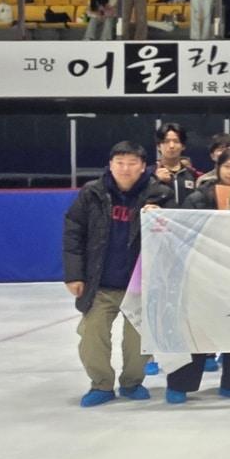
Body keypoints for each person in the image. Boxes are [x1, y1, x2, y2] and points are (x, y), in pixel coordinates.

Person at [63, 140, 173, 407]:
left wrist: (162, 217)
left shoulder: (159, 193)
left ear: (143, 167)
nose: (125, 168)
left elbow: (176, 232)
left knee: (139, 342)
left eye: (132, 163)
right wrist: (74, 274)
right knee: (91, 335)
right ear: (110, 165)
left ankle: (132, 383)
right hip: (100, 282)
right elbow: (73, 232)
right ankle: (101, 384)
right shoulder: (93, 192)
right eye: (119, 162)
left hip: (141, 285)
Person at [167, 149, 230, 402]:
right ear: (217, 168)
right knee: (196, 330)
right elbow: (182, 231)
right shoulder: (198, 197)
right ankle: (180, 384)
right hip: (202, 274)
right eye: (227, 166)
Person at [152, 123, 200, 206]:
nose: (171, 146)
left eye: (176, 141)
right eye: (166, 141)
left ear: (183, 146)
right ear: (159, 146)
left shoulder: (193, 175)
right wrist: (156, 181)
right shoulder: (150, 174)